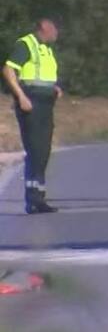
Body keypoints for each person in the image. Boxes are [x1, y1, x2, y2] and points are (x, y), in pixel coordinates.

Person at [2, 17, 63, 214]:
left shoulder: (47, 49)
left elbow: (41, 75)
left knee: (44, 150)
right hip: (31, 102)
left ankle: (39, 196)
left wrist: (54, 87)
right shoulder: (26, 45)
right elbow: (8, 70)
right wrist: (21, 96)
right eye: (54, 29)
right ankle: (32, 199)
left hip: (46, 103)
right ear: (44, 28)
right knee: (35, 149)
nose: (57, 33)